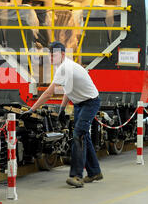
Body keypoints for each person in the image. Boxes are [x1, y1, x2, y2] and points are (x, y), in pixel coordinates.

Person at [21, 41, 103, 188]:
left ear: (63, 55)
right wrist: (62, 108)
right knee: (84, 136)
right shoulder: (63, 66)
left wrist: (31, 110)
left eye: (54, 55)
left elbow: (48, 93)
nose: (51, 58)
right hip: (79, 103)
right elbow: (68, 89)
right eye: (50, 55)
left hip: (90, 102)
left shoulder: (65, 68)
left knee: (79, 135)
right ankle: (95, 172)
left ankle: (77, 176)